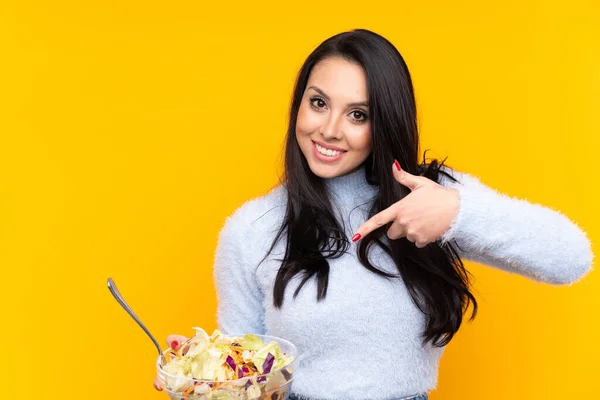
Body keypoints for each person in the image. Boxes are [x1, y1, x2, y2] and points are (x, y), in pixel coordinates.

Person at [154, 29, 593, 400]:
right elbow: (247, 374)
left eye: (358, 114)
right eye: (319, 103)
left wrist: (460, 212)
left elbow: (571, 260)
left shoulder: (428, 198)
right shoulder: (252, 228)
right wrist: (199, 377)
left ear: (385, 123)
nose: (329, 130)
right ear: (298, 105)